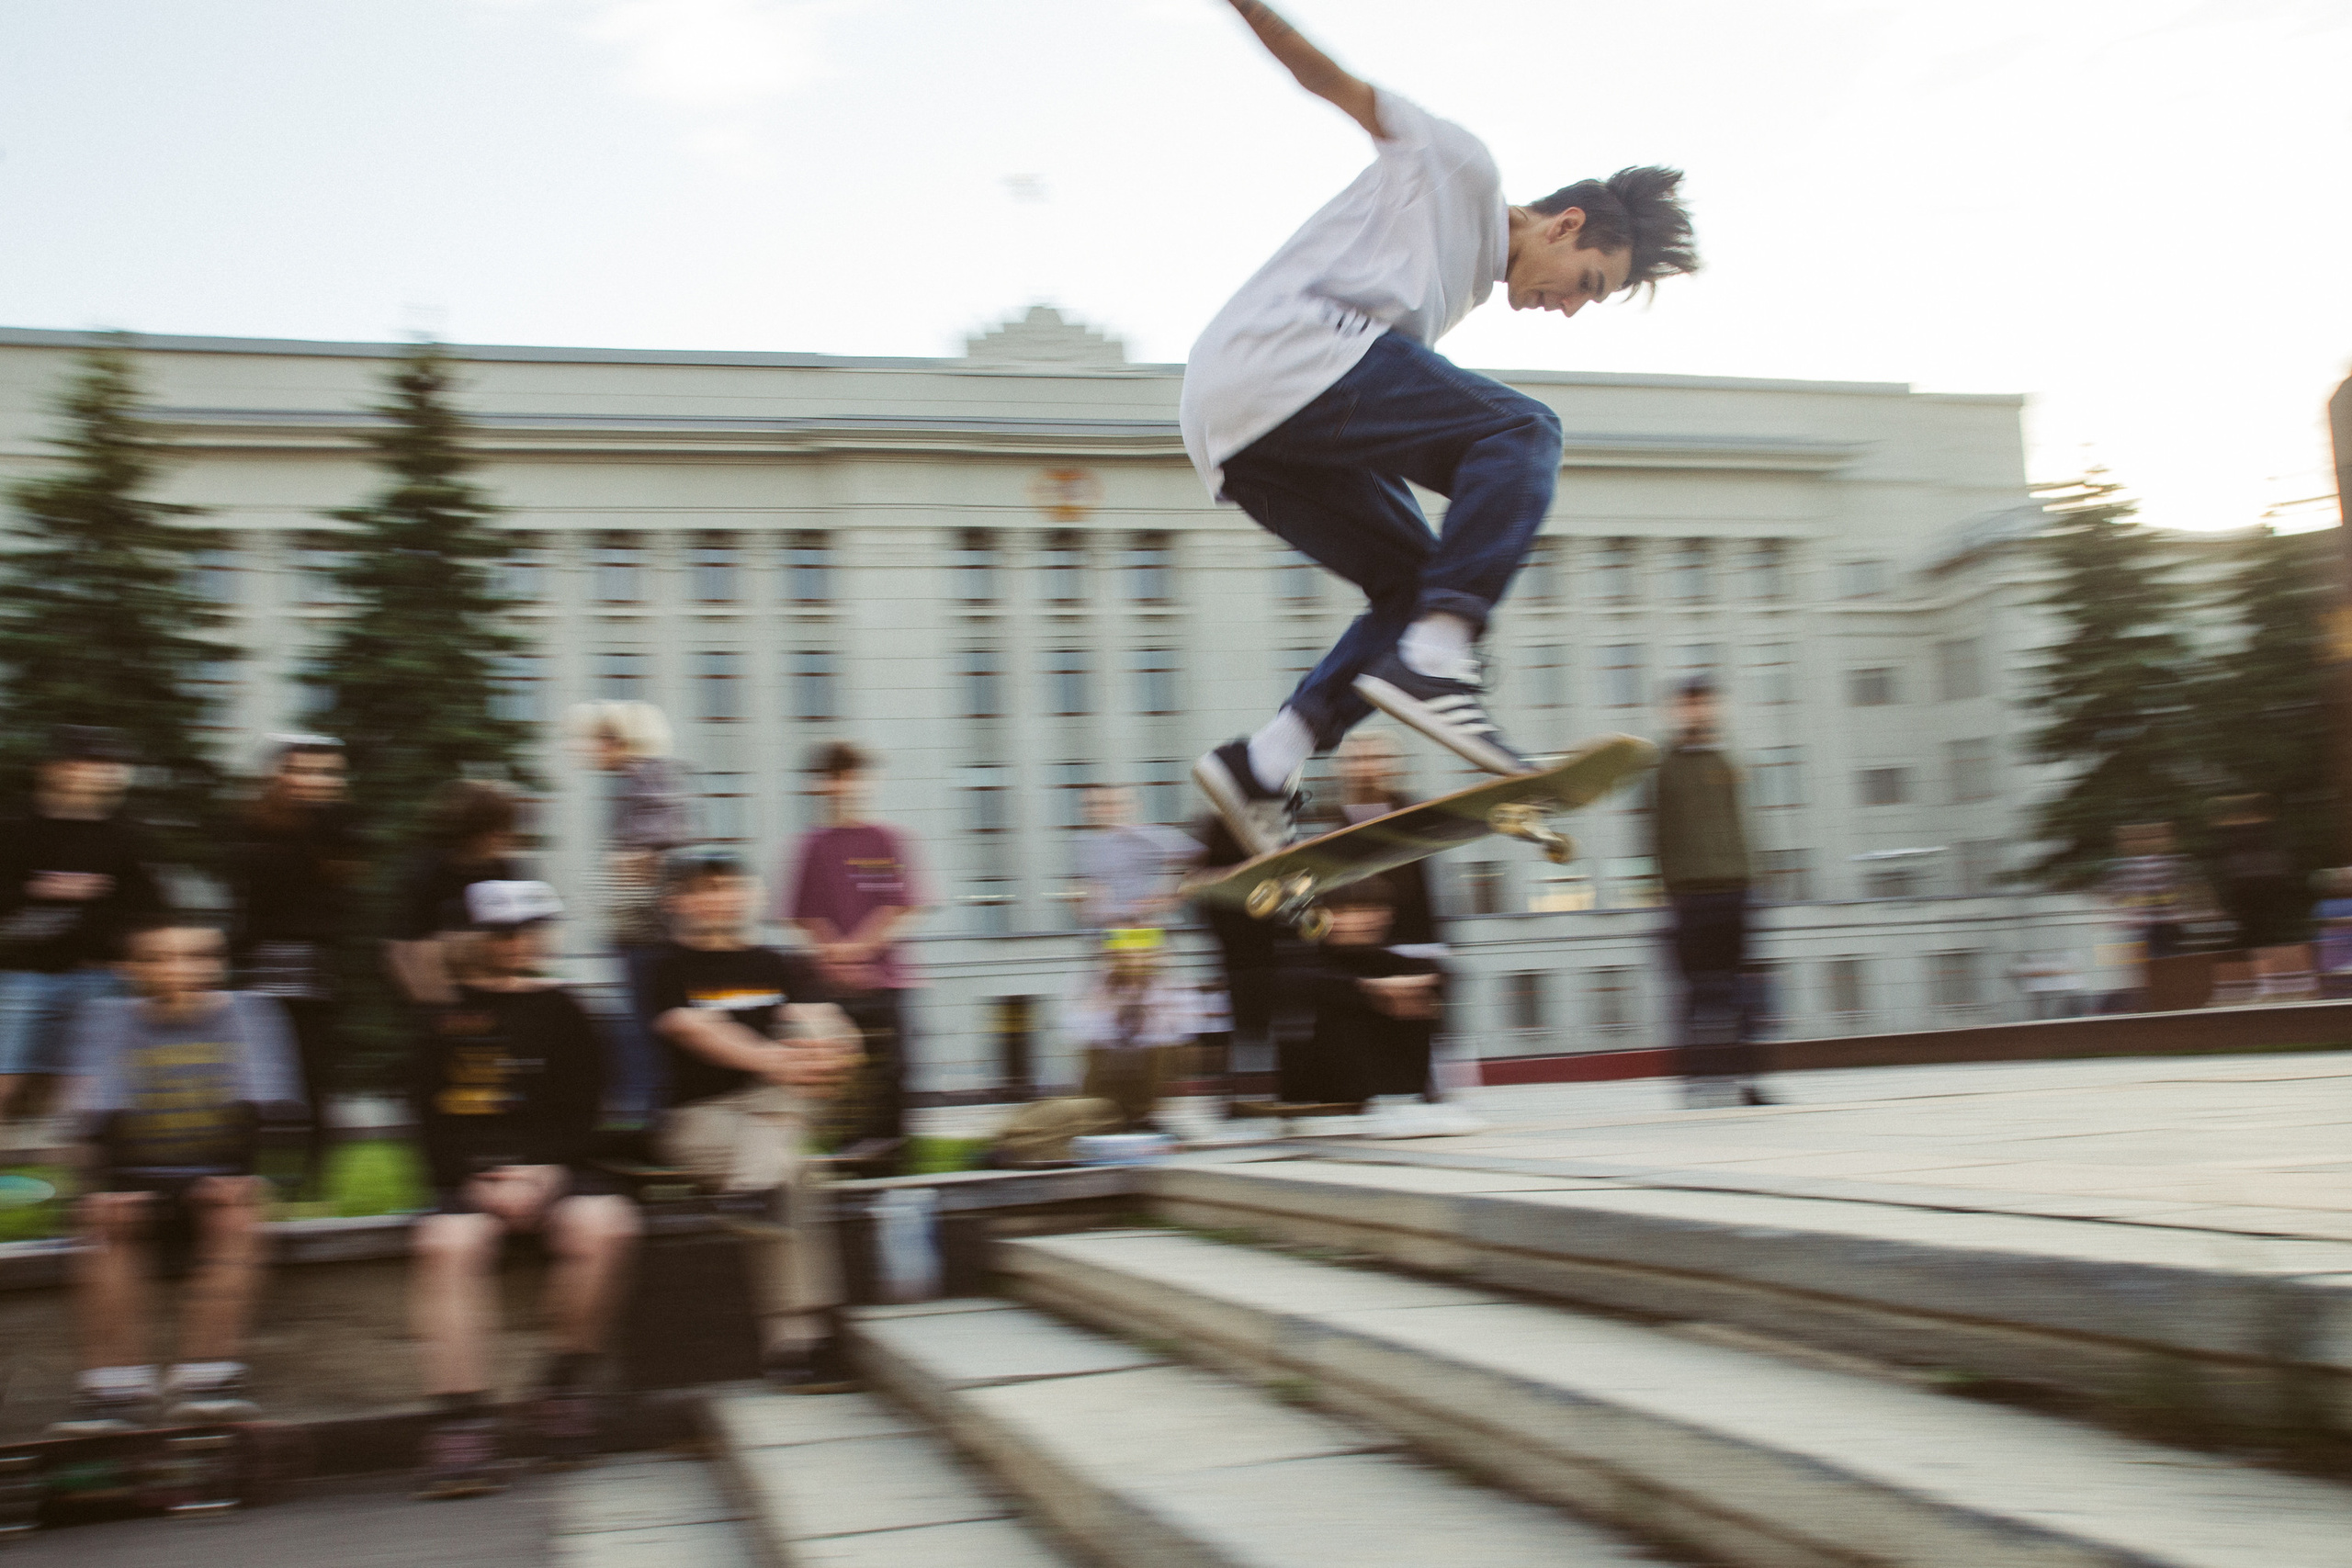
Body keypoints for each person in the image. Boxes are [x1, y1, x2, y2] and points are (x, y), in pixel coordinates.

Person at [1182, 0, 1697, 854]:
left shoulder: (1449, 288)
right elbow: (1329, 80)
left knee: (1413, 579)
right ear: (1565, 225)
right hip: (1283, 358)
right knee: (1524, 433)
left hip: (1241, 427)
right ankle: (1438, 656)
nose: (1567, 308)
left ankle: (1265, 763)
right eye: (1587, 283)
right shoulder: (1462, 166)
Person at [407, 881, 637, 1500]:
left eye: (531, 928)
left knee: (608, 1225)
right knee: (447, 1244)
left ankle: (561, 1385)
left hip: (555, 1168)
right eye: (503, 931)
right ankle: (461, 1421)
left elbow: (585, 1111)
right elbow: (428, 1119)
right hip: (469, 1175)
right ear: (475, 936)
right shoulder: (440, 1014)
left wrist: (548, 1171)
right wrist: (478, 1179)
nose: (518, 942)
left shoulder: (566, 1009)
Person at [55, 919, 305, 1432]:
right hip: (136, 1171)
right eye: (164, 958)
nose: (183, 970)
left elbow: (271, 1109)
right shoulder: (106, 1019)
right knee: (106, 1220)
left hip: (218, 1170)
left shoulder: (251, 1013)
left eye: (198, 956)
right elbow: (94, 1119)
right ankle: (115, 1389)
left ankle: (208, 1380)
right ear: (132, 970)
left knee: (236, 1211)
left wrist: (241, 1177)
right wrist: (105, 1189)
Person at [651, 847, 862, 1391]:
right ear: (679, 902)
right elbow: (696, 1030)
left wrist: (836, 1047)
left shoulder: (776, 963)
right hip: (699, 1121)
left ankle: (753, 1192)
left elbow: (820, 1018)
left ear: (748, 896)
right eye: (704, 888)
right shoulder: (663, 967)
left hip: (773, 1109)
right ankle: (800, 1345)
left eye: (728, 886)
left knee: (785, 1151)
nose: (718, 897)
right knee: (799, 1171)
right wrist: (773, 1059)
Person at [0, 726, 164, 1136]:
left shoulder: (125, 836)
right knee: (7, 1070)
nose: (101, 775)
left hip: (96, 975)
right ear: (56, 769)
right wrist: (39, 891)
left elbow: (148, 907)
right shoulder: (17, 827)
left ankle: (55, 1164)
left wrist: (125, 955)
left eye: (109, 766)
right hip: (20, 973)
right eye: (90, 764)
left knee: (77, 1079)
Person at [780, 742, 926, 1172]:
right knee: (842, 1080)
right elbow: (800, 913)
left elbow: (903, 906)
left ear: (866, 781)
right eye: (832, 777)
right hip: (831, 986)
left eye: (851, 776)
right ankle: (846, 1165)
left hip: (886, 981)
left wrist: (860, 947)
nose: (842, 786)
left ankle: (893, 1165)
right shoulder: (811, 845)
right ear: (819, 786)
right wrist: (832, 951)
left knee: (891, 1076)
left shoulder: (886, 840)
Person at [228, 735, 364, 1194]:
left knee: (313, 1071)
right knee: (252, 1069)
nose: (314, 780)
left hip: (312, 965)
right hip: (261, 963)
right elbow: (253, 891)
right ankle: (241, 1169)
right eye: (303, 770)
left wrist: (323, 823)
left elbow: (341, 890)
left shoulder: (339, 827)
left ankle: (312, 1176)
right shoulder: (253, 825)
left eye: (325, 772)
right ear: (280, 776)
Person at [566, 701, 693, 1123]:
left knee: (645, 1027)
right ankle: (651, 1111)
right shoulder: (638, 779)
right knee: (643, 1025)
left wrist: (615, 873)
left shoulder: (647, 777)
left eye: (595, 740)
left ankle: (650, 1117)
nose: (587, 750)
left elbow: (652, 853)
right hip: (645, 927)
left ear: (617, 740)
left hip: (649, 930)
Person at [1651, 676, 1772, 1110]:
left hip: (1737, 890)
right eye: (1690, 705)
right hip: (1690, 896)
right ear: (1676, 711)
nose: (1699, 712)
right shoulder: (1665, 767)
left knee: (1744, 990)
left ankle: (1749, 1081)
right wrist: (1668, 892)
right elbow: (1655, 835)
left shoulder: (1726, 760)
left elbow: (1743, 825)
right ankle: (1695, 1081)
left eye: (1706, 704)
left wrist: (1754, 878)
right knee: (1695, 992)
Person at [1283, 878, 1447, 1119]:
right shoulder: (1305, 969)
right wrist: (1372, 991)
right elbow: (1305, 984)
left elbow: (1438, 975)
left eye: (1376, 909)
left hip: (1403, 1110)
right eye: (1351, 910)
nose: (1367, 918)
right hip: (1325, 1112)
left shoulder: (1406, 965)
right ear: (1324, 917)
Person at [386, 781, 526, 1009]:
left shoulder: (501, 869)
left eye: (504, 830)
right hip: (436, 975)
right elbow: (408, 941)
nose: (502, 838)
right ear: (471, 831)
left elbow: (513, 931)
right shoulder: (430, 871)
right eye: (495, 830)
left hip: (487, 975)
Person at [1068, 929, 1200, 1133]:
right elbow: (1079, 1028)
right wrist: (1111, 1006)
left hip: (1145, 1080)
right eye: (1125, 957)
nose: (1133, 962)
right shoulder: (1098, 989)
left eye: (1141, 955)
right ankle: (1115, 1113)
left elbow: (1183, 1028)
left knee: (1162, 1050)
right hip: (1105, 1084)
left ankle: (1141, 1113)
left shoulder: (1163, 988)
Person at [2207, 795, 2312, 1005]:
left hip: (2263, 889)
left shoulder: (2264, 832)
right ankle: (2258, 988)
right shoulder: (2239, 834)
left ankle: (2290, 986)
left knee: (2266, 937)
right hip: (2250, 890)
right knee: (2254, 938)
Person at [1074, 784, 1195, 934]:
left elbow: (1197, 863)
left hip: (1144, 927)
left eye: (1111, 804)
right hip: (1105, 931)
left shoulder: (1155, 835)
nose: (1098, 810)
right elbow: (1084, 887)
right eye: (1091, 805)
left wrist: (1166, 897)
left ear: (1134, 806)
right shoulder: (1085, 843)